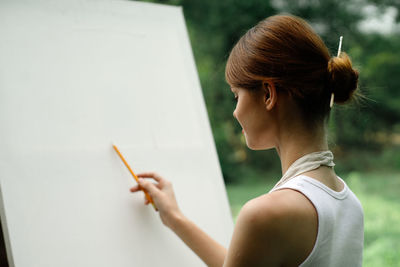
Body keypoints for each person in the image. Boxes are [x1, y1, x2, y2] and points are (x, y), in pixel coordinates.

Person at [130, 14, 364, 267]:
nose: (235, 111)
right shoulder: (350, 205)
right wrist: (175, 218)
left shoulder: (266, 214)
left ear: (267, 94)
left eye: (236, 95)